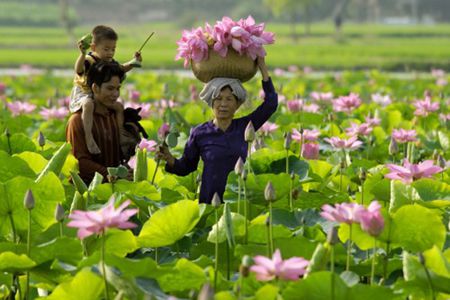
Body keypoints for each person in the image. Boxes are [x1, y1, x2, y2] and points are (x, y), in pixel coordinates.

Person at [156, 57, 278, 203]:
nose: (223, 104)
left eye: (229, 99)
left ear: (237, 104)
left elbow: (271, 104)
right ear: (211, 102)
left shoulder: (245, 127)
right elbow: (186, 167)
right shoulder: (199, 133)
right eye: (218, 99)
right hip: (209, 202)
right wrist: (170, 159)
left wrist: (262, 67)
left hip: (237, 201)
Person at [70, 25, 142, 154]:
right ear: (93, 47)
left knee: (119, 107)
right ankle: (88, 136)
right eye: (106, 49)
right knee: (88, 104)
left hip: (99, 94)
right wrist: (82, 54)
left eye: (113, 49)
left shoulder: (110, 62)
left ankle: (121, 135)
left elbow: (121, 69)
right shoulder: (89, 60)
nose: (110, 53)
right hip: (84, 92)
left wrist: (134, 61)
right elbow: (78, 69)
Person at [66, 62, 129, 184]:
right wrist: (113, 175)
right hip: (86, 192)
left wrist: (125, 170)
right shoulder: (77, 120)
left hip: (114, 187)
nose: (115, 94)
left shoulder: (115, 116)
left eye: (118, 89)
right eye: (110, 89)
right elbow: (81, 163)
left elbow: (119, 159)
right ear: (95, 88)